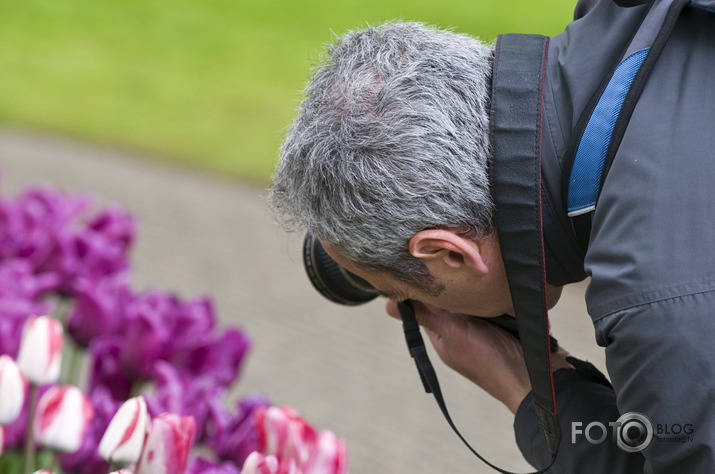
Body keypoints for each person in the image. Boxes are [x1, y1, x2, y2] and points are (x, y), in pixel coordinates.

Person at [268, 0, 715, 472]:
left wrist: (526, 388)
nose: (406, 302)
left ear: (450, 252)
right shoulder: (637, 13)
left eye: (398, 290)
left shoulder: (659, 309)